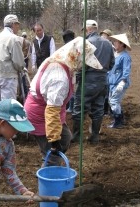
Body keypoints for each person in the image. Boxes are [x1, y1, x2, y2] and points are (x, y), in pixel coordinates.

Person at [24, 37, 102, 165]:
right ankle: (49, 175)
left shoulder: (63, 62)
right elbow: (51, 112)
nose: (83, 66)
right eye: (83, 62)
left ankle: (49, 160)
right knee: (53, 152)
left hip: (50, 110)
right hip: (40, 114)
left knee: (66, 138)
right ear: (76, 57)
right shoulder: (59, 77)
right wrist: (54, 142)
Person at [71, 20, 115, 144]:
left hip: (88, 80)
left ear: (87, 29)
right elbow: (112, 63)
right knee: (98, 109)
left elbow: (81, 65)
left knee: (79, 109)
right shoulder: (108, 44)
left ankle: (77, 136)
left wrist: (77, 79)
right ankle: (95, 136)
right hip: (102, 81)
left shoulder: (86, 43)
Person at [0, 14, 25, 110]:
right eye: (17, 24)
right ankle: (5, 124)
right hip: (7, 76)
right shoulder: (14, 39)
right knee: (8, 105)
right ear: (13, 24)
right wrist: (22, 68)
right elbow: (18, 62)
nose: (18, 27)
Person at [107, 33, 132, 128]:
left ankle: (118, 122)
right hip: (112, 82)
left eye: (116, 42)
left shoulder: (125, 57)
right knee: (112, 101)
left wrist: (122, 82)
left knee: (114, 101)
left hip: (119, 83)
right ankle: (119, 119)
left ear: (121, 44)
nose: (114, 43)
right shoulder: (115, 54)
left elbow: (126, 70)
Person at [62, 30, 76, 113]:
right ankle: (70, 106)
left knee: (70, 89)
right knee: (71, 88)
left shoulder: (68, 46)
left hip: (70, 70)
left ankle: (71, 107)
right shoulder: (74, 45)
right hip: (72, 69)